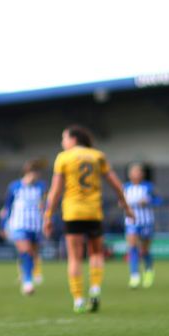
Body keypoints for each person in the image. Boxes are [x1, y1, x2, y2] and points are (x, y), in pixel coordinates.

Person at [43, 126, 134, 313]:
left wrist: (48, 215)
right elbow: (117, 185)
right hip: (94, 212)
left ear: (74, 139)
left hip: (73, 212)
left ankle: (78, 300)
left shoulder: (64, 157)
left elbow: (55, 191)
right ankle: (95, 289)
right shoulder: (97, 156)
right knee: (96, 253)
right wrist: (126, 206)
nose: (63, 142)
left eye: (64, 138)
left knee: (75, 257)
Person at [0, 159, 47, 295]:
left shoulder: (41, 187)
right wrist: (3, 226)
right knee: (25, 251)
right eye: (35, 173)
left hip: (36, 224)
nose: (37, 176)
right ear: (28, 172)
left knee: (32, 254)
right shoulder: (15, 186)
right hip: (19, 224)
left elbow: (45, 205)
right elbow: (7, 207)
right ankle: (27, 282)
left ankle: (27, 275)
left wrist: (47, 221)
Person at [123, 163, 161, 289]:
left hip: (146, 221)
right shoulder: (125, 187)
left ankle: (149, 271)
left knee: (144, 250)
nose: (136, 174)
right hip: (131, 222)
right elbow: (121, 202)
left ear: (142, 174)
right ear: (129, 174)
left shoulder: (148, 187)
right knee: (132, 247)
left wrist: (149, 201)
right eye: (133, 172)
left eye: (138, 172)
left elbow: (159, 200)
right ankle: (134, 276)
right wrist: (122, 204)